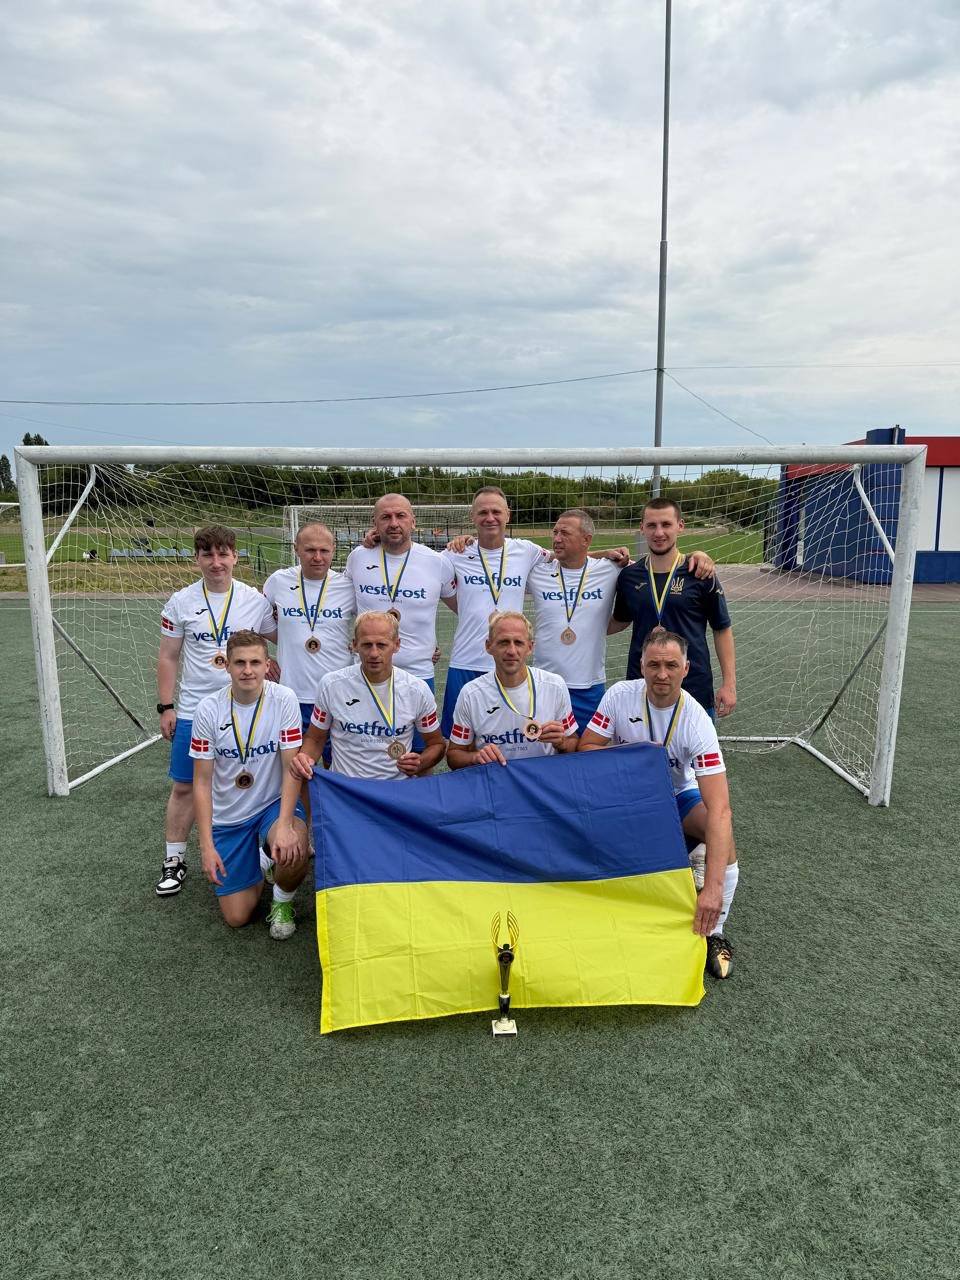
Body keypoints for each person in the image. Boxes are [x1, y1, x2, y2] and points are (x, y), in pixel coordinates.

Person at [577, 627, 739, 979]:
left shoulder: (697, 721)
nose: (661, 674)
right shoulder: (620, 695)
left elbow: (720, 809)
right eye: (653, 665)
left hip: (677, 796)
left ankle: (715, 930)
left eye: (670, 665)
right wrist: (631, 759)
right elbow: (586, 747)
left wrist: (712, 890)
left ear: (686, 668)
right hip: (625, 797)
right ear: (641, 666)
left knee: (723, 839)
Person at [156, 525, 275, 898]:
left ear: (235, 556)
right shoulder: (181, 601)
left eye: (223, 553)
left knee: (255, 780)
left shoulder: (255, 601)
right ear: (197, 559)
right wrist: (166, 706)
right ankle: (174, 860)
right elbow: (168, 656)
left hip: (248, 709)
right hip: (195, 710)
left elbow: (283, 637)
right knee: (185, 786)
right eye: (207, 554)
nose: (216, 562)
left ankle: (264, 849)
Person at [189, 631, 309, 938]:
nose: (247, 670)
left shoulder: (284, 699)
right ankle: (260, 859)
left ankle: (282, 903)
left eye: (255, 662)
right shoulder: (208, 709)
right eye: (239, 663)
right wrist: (206, 847)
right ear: (226, 666)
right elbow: (201, 783)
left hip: (272, 804)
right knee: (237, 917)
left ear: (267, 665)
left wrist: (285, 825)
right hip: (230, 816)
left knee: (294, 843)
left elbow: (291, 768)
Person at [284, 611, 446, 791]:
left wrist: (421, 762)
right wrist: (305, 758)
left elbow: (437, 744)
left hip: (396, 790)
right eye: (367, 645)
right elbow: (315, 739)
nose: (374, 653)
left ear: (396, 645)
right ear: (354, 645)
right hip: (346, 789)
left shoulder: (417, 690)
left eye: (382, 645)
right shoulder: (331, 684)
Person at [344, 494, 455, 750]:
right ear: (375, 523)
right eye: (386, 517)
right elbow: (339, 601)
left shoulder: (437, 562)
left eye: (400, 516)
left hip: (418, 673)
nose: (394, 523)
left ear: (413, 521)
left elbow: (465, 607)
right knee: (363, 749)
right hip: (366, 675)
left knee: (421, 753)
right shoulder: (358, 557)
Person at [609, 498, 736, 719]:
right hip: (642, 685)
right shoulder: (629, 576)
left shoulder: (700, 573)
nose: (659, 533)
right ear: (642, 528)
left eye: (666, 524)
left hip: (693, 686)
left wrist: (729, 684)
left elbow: (721, 628)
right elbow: (619, 620)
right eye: (651, 525)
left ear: (680, 526)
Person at [262, 520, 355, 751]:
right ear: (296, 549)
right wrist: (263, 657)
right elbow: (252, 619)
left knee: (337, 764)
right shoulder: (278, 581)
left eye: (324, 550)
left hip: (337, 694)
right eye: (310, 550)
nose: (317, 557)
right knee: (295, 764)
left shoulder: (347, 586)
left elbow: (374, 620)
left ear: (333, 550)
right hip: (291, 694)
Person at [526, 508, 622, 732]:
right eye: (555, 532)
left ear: (586, 540)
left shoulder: (611, 569)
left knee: (587, 748)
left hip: (589, 686)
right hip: (544, 685)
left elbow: (655, 568)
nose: (557, 539)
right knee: (545, 747)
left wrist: (696, 557)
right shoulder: (537, 572)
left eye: (565, 533)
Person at [446, 611, 578, 768]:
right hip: (496, 779)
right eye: (503, 642)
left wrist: (562, 743)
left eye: (518, 643)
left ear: (530, 647)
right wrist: (475, 757)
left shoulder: (555, 686)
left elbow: (573, 743)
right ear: (488, 646)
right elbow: (454, 756)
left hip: (543, 777)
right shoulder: (471, 694)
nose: (511, 651)